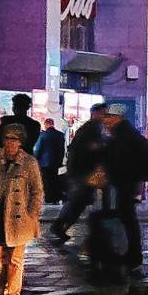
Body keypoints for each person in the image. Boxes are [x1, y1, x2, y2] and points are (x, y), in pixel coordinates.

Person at [0, 123, 44, 295]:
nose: (10, 143)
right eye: (7, 138)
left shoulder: (29, 162)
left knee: (16, 260)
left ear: (21, 142)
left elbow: (37, 191)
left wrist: (31, 214)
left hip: (18, 218)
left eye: (14, 139)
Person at [99, 101, 148, 272]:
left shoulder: (121, 138)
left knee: (125, 219)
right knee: (127, 219)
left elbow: (119, 162)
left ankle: (130, 255)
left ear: (117, 118)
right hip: (127, 183)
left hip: (122, 184)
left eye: (108, 117)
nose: (105, 121)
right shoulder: (129, 135)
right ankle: (131, 254)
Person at [49, 104, 108, 244]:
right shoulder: (91, 129)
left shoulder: (92, 129)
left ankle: (61, 227)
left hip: (83, 171)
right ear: (94, 113)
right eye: (102, 113)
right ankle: (59, 226)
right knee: (78, 201)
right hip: (82, 172)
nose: (104, 117)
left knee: (80, 202)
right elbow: (89, 149)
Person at [36, 115, 67, 205]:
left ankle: (49, 197)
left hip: (44, 163)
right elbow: (62, 149)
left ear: (46, 125)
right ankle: (56, 197)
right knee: (55, 179)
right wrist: (60, 160)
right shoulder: (60, 135)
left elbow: (38, 149)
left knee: (46, 180)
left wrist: (36, 159)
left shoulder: (42, 135)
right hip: (56, 162)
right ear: (53, 124)